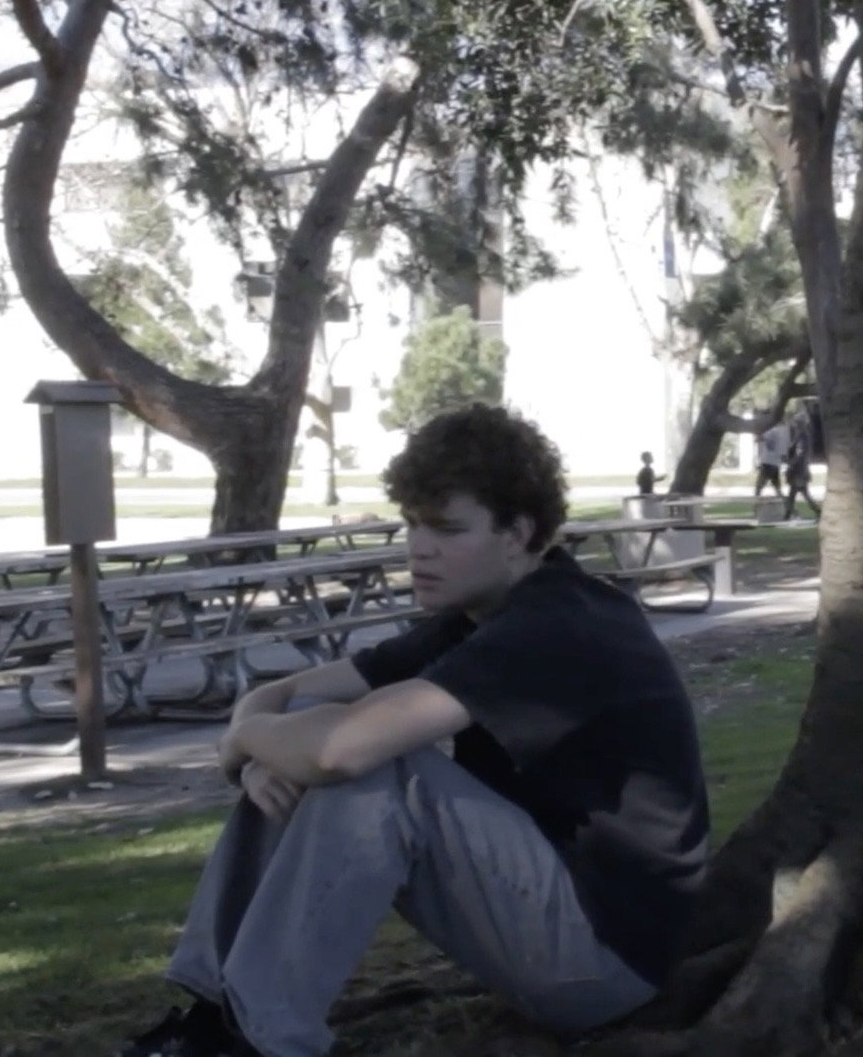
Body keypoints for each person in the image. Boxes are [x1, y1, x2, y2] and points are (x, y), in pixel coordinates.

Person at [119, 404, 710, 1057]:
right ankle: (213, 1016)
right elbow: (283, 695)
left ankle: (260, 1039)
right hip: (553, 922)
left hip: (607, 960)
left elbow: (341, 752)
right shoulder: (475, 617)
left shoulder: (557, 625)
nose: (419, 548)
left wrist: (244, 741)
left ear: (517, 533)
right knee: (308, 731)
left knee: (384, 768)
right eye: (412, 524)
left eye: (448, 529)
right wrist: (256, 744)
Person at [781, 419, 818, 521]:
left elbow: (799, 455)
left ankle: (788, 514)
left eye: (795, 426)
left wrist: (790, 462)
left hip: (799, 471)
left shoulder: (802, 439)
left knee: (797, 493)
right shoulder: (801, 438)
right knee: (797, 493)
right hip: (800, 470)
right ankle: (788, 514)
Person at [753, 420, 789, 499]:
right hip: (775, 461)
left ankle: (757, 497)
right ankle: (780, 496)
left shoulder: (771, 431)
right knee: (775, 481)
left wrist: (758, 436)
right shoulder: (783, 432)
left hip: (767, 460)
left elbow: (759, 438)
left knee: (761, 481)